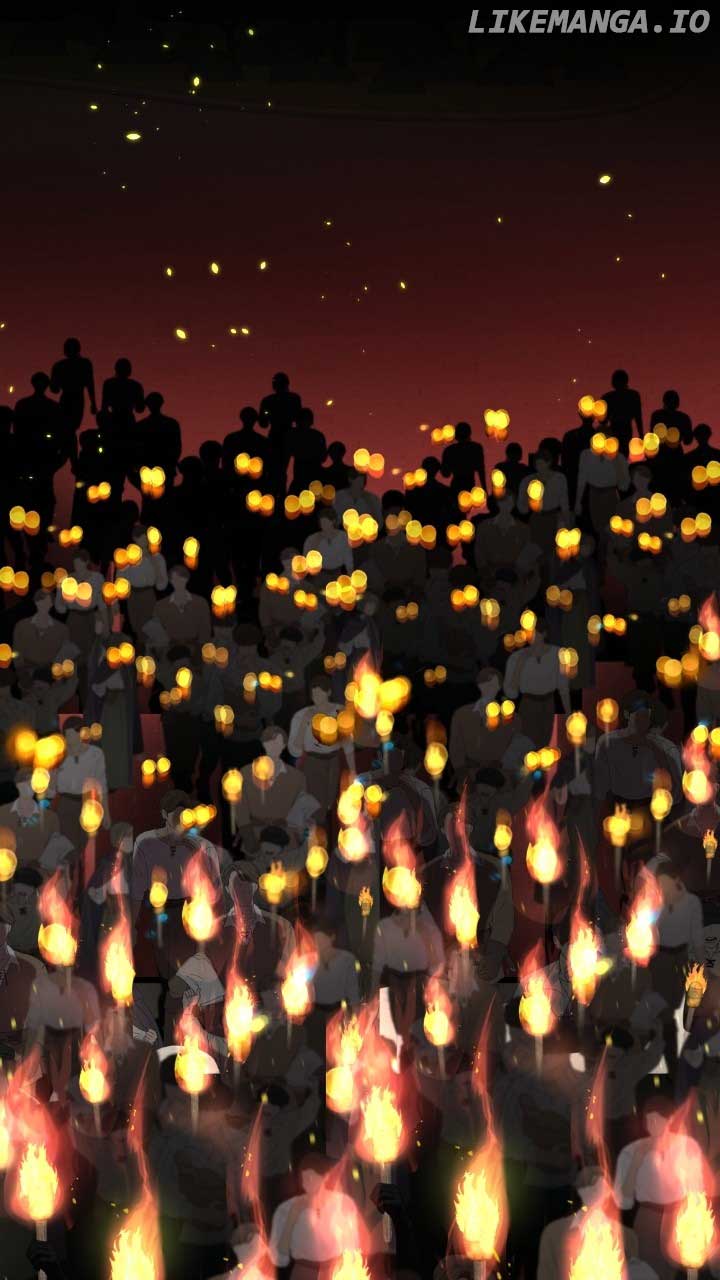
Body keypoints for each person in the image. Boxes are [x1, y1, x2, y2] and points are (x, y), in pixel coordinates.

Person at [603, 368, 643, 452]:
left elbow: (603, 421)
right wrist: (641, 434)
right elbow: (638, 417)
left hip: (613, 430)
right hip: (626, 430)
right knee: (623, 453)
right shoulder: (633, 395)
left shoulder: (608, 397)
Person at [440, 421, 486, 495]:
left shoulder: (450, 450)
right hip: (470, 486)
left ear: (456, 435)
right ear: (469, 433)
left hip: (455, 487)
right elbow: (481, 471)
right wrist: (485, 490)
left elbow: (446, 474)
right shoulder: (476, 448)